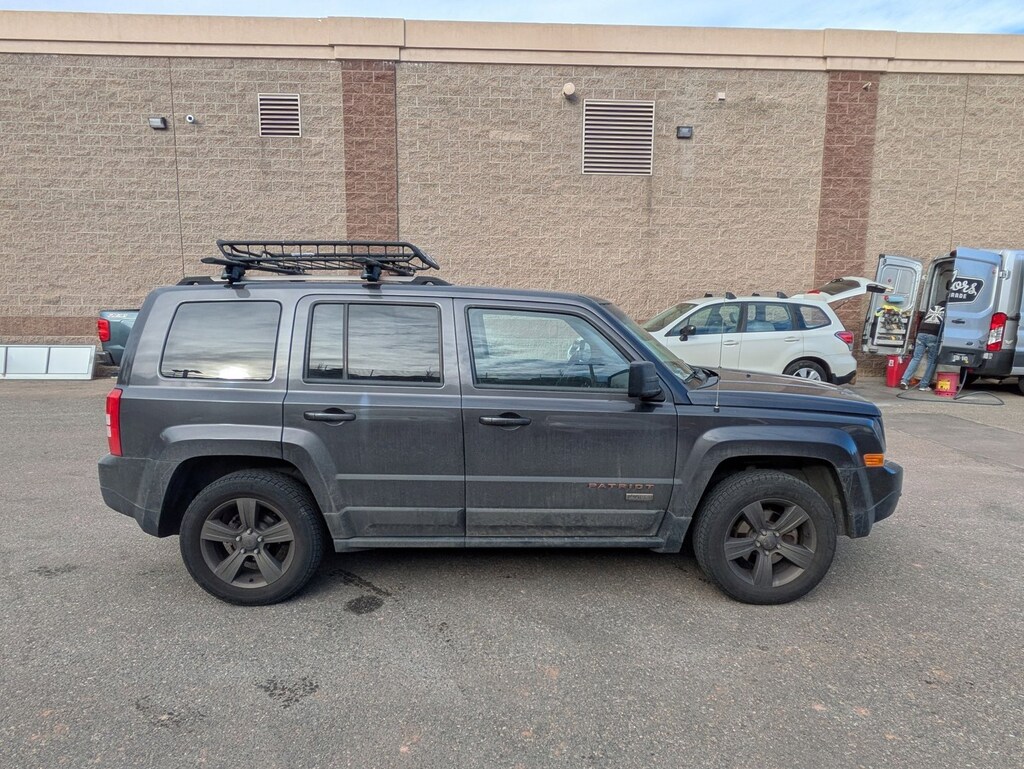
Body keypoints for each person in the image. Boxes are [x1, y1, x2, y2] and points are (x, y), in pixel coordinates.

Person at [899, 294, 947, 391]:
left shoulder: (933, 308)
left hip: (921, 334)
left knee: (916, 358)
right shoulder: (948, 310)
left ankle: (904, 380)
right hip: (933, 336)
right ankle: (924, 385)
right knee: (931, 361)